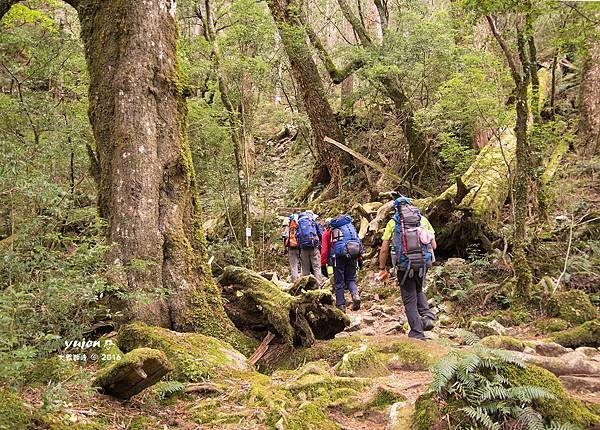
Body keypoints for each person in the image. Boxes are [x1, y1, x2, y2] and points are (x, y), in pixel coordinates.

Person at [377, 196, 436, 339]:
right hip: (422, 263)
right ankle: (427, 317)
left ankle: (416, 332)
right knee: (418, 289)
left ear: (396, 209)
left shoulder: (393, 223)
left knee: (409, 297)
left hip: (405, 265)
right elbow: (434, 245)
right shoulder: (422, 219)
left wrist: (382, 267)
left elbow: (384, 249)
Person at [321, 214, 362, 312]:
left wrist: (323, 265)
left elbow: (324, 250)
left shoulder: (328, 232)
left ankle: (341, 305)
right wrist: (360, 258)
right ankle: (355, 295)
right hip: (353, 254)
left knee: (339, 281)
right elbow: (358, 241)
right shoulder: (350, 228)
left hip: (338, 257)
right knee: (351, 279)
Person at [297, 210, 323, 284]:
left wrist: (300, 249)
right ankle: (319, 285)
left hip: (303, 249)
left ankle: (305, 287)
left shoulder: (300, 223)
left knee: (305, 269)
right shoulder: (313, 222)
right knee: (316, 267)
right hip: (314, 247)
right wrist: (319, 246)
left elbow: (297, 236)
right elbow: (321, 234)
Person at [282, 214, 300, 282]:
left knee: (293, 266)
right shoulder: (300, 224)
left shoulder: (288, 226)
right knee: (303, 265)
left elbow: (285, 236)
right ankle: (303, 280)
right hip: (300, 247)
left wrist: (285, 248)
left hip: (291, 247)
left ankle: (295, 281)